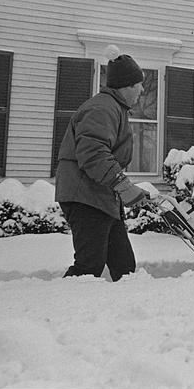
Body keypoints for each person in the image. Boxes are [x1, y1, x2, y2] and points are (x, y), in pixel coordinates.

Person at [55, 51, 151, 282]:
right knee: (89, 265)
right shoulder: (102, 109)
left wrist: (125, 189)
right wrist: (123, 186)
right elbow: (94, 154)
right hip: (86, 196)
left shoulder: (114, 108)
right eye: (139, 85)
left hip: (101, 196)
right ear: (126, 85)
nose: (142, 90)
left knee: (124, 265)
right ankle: (62, 310)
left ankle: (129, 313)